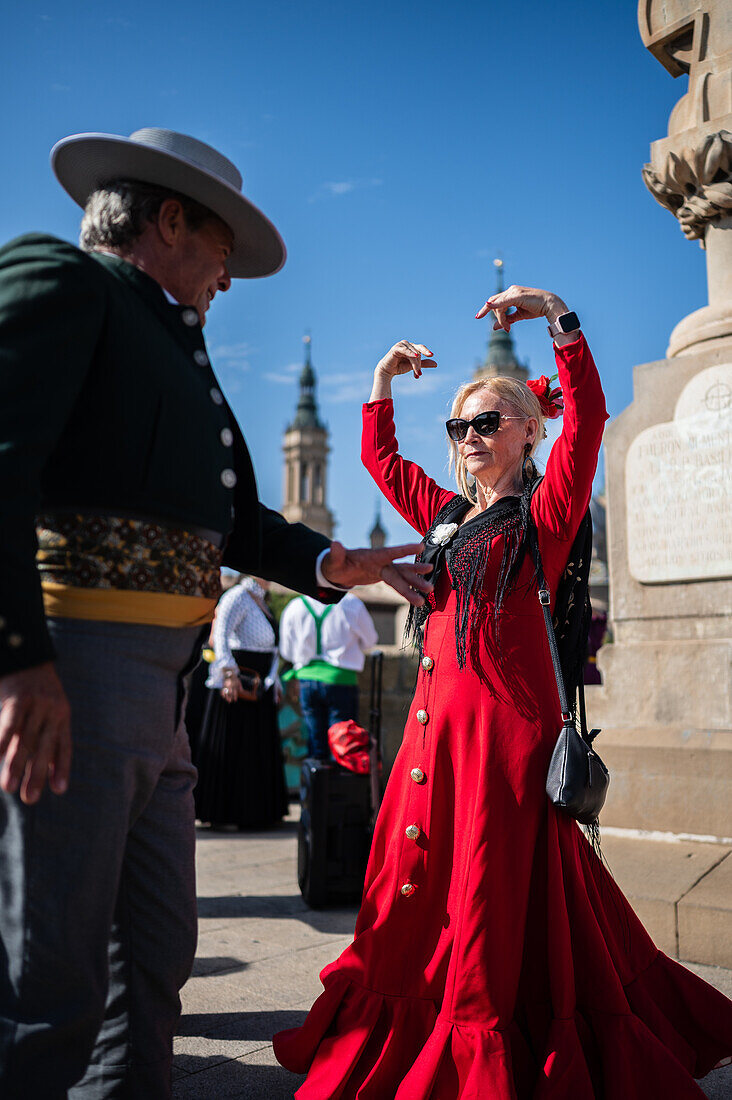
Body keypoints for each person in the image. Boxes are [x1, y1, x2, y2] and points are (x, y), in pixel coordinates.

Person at [0, 127, 433, 1100]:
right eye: (223, 250)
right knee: (48, 971)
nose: (228, 280)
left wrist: (330, 559)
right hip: (75, 665)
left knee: (153, 949)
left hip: (162, 681)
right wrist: (19, 658)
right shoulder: (66, 284)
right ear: (168, 221)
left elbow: (237, 520)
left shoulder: (178, 346)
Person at [274, 286, 732, 1097]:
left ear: (527, 430)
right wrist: (382, 378)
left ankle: (495, 1039)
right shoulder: (446, 517)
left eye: (490, 421)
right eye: (461, 426)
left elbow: (587, 422)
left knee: (492, 898)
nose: (473, 436)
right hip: (433, 742)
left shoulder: (544, 515)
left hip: (502, 747)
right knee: (422, 890)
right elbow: (382, 463)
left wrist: (560, 320)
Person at [193, 575, 288, 829]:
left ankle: (254, 813)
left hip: (259, 686)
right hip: (239, 682)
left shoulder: (261, 600)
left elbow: (273, 648)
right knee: (234, 748)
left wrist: (274, 681)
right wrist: (228, 674)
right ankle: (225, 813)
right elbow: (220, 633)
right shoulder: (237, 596)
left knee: (253, 751)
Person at [279, 591, 378, 760]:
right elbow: (370, 640)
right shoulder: (351, 603)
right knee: (342, 746)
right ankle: (339, 786)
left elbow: (287, 652)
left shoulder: (294, 606)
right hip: (341, 679)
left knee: (314, 743)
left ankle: (315, 786)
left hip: (307, 681)